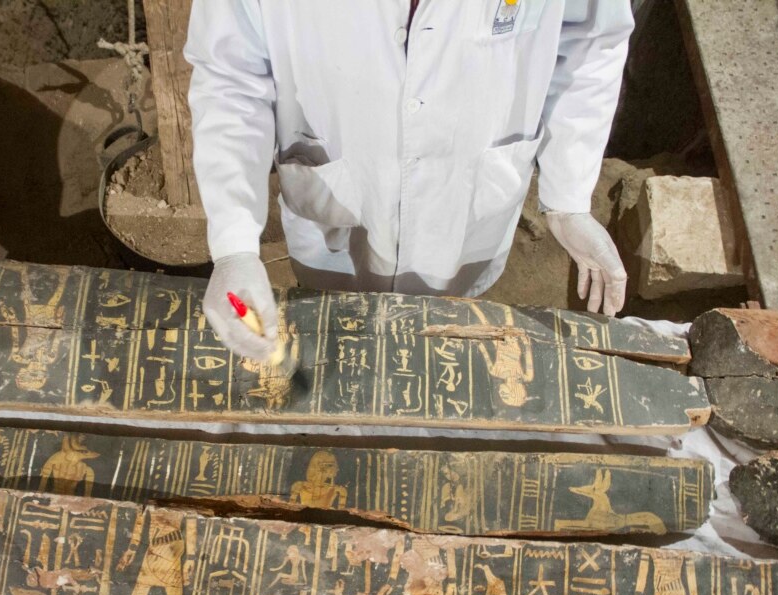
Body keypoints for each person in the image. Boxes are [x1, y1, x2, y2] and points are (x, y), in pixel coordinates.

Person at [186, 1, 634, 362]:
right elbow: (231, 75)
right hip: (336, 199)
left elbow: (592, 39)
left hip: (468, 212)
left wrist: (569, 195)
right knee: (336, 330)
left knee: (446, 335)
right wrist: (234, 240)